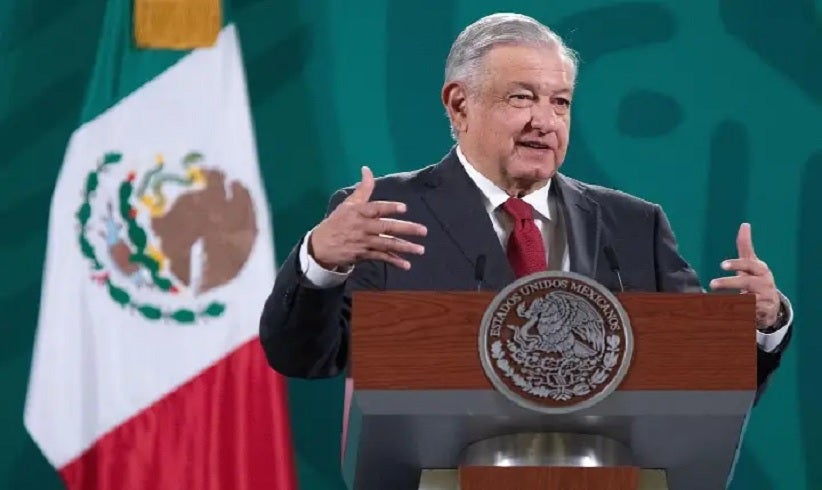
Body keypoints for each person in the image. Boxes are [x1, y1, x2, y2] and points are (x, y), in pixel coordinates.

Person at [259, 13, 792, 397]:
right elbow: (306, 357)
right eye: (521, 98)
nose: (546, 121)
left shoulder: (635, 225)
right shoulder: (386, 213)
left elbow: (699, 378)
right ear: (459, 104)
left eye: (559, 102)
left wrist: (760, 327)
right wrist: (321, 262)